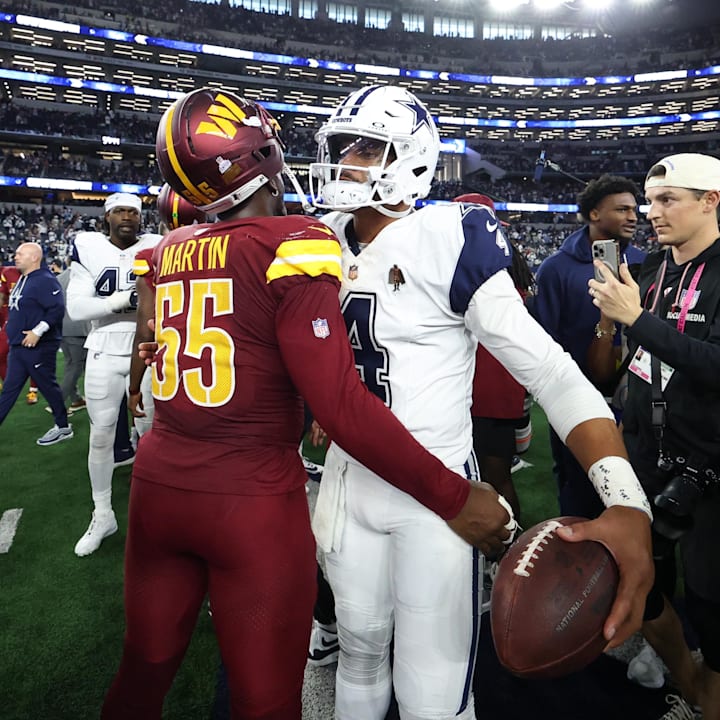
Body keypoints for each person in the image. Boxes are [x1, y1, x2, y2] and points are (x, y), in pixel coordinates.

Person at [101, 87, 519, 720]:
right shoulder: (293, 240)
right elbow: (343, 404)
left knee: (141, 675)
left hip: (158, 487)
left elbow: (166, 341)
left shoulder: (167, 250)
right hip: (248, 501)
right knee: (264, 701)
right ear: (261, 156)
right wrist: (457, 497)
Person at [307, 84, 653, 720]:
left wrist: (625, 500)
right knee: (357, 655)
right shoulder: (314, 241)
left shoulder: (450, 235)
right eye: (343, 145)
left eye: (366, 146)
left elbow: (552, 371)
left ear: (410, 159)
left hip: (433, 496)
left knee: (432, 691)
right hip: (346, 487)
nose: (346, 159)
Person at [589, 152, 720, 720]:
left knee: (712, 605)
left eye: (669, 200)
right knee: (643, 579)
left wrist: (637, 319)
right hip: (645, 450)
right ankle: (690, 683)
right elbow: (635, 360)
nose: (653, 212)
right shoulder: (649, 271)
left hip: (708, 466)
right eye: (651, 201)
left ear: (710, 201)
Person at [534, 174, 646, 518]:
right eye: (622, 209)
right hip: (574, 398)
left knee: (630, 495)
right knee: (578, 490)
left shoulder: (643, 263)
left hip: (634, 399)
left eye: (635, 210)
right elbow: (544, 339)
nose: (633, 217)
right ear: (594, 214)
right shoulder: (556, 269)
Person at [66, 192, 161, 557]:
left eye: (133, 212)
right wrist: (123, 301)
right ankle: (103, 513)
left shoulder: (157, 244)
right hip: (104, 349)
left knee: (152, 436)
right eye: (120, 211)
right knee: (101, 436)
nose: (127, 217)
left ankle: (155, 513)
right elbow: (76, 307)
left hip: (149, 350)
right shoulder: (88, 246)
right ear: (107, 217)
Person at [0, 242, 71, 445]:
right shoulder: (25, 278)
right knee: (10, 390)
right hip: (19, 347)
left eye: (20, 253)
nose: (15, 256)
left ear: (34, 257)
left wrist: (37, 331)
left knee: (48, 386)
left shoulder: (45, 280)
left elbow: (57, 308)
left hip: (38, 347)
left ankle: (63, 426)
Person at [0, 263, 40, 403]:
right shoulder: (6, 274)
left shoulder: (36, 275)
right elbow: (3, 297)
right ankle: (9, 386)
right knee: (1, 353)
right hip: (9, 320)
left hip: (30, 321)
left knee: (31, 355)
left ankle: (33, 390)